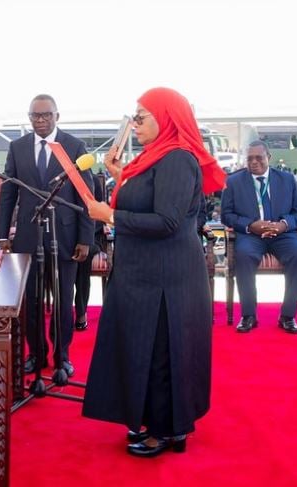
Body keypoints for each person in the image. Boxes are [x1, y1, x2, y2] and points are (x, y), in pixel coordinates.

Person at [82, 87, 226, 457]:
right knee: (146, 347)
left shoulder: (178, 159)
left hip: (168, 276)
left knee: (163, 350)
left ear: (166, 119)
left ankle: (168, 430)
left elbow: (166, 220)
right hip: (145, 272)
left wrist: (109, 214)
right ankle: (153, 421)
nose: (135, 124)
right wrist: (120, 177)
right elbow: (145, 201)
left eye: (142, 116)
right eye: (134, 117)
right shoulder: (152, 159)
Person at [0, 94, 94, 377]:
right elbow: (8, 194)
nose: (40, 120)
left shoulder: (73, 147)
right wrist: (1, 234)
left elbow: (86, 196)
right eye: (35, 116)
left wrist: (86, 238)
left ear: (56, 117)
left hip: (65, 238)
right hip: (28, 237)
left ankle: (62, 357)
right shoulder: (18, 148)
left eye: (46, 115)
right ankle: (35, 355)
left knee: (63, 302)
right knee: (32, 302)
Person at [220, 140, 297, 334]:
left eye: (258, 158)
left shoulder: (286, 179)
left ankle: (287, 316)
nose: (254, 162)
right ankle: (249, 315)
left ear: (268, 157)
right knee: (243, 255)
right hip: (251, 235)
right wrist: (250, 225)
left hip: (282, 235)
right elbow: (226, 215)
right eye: (250, 158)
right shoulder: (233, 181)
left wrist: (283, 225)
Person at [73, 171, 107, 331]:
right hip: (69, 237)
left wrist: (84, 238)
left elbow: (100, 212)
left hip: (93, 238)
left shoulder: (92, 180)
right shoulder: (62, 179)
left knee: (83, 258)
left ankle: (81, 313)